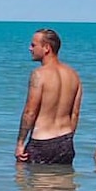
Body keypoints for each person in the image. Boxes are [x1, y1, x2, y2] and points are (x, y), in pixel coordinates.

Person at [15, 28, 82, 164]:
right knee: (64, 184)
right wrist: (68, 138)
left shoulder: (39, 74)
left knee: (36, 184)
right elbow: (75, 113)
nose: (30, 48)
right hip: (65, 141)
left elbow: (30, 112)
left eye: (33, 45)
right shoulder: (74, 75)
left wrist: (20, 143)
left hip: (42, 142)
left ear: (46, 48)